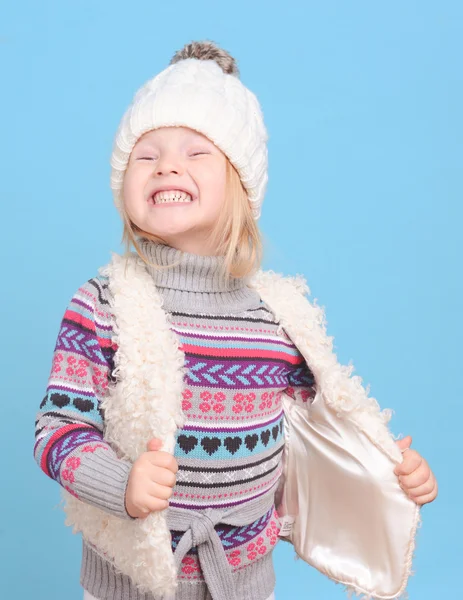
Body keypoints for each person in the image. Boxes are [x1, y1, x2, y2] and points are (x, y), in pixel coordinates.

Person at [33, 40, 438, 600]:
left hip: (244, 581)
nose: (167, 164)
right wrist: (122, 485)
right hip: (130, 582)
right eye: (145, 155)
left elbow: (318, 430)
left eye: (196, 152)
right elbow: (58, 428)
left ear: (241, 189)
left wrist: (390, 468)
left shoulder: (276, 313)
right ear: (124, 187)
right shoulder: (104, 303)